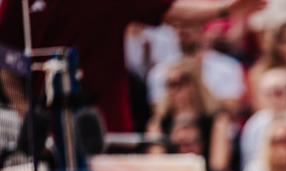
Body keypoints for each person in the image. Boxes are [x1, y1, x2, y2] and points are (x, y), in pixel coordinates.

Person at [0, 0, 265, 133]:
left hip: (108, 132)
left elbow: (173, 11)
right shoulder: (19, 4)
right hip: (48, 141)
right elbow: (5, 64)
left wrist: (226, 9)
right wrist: (30, 120)